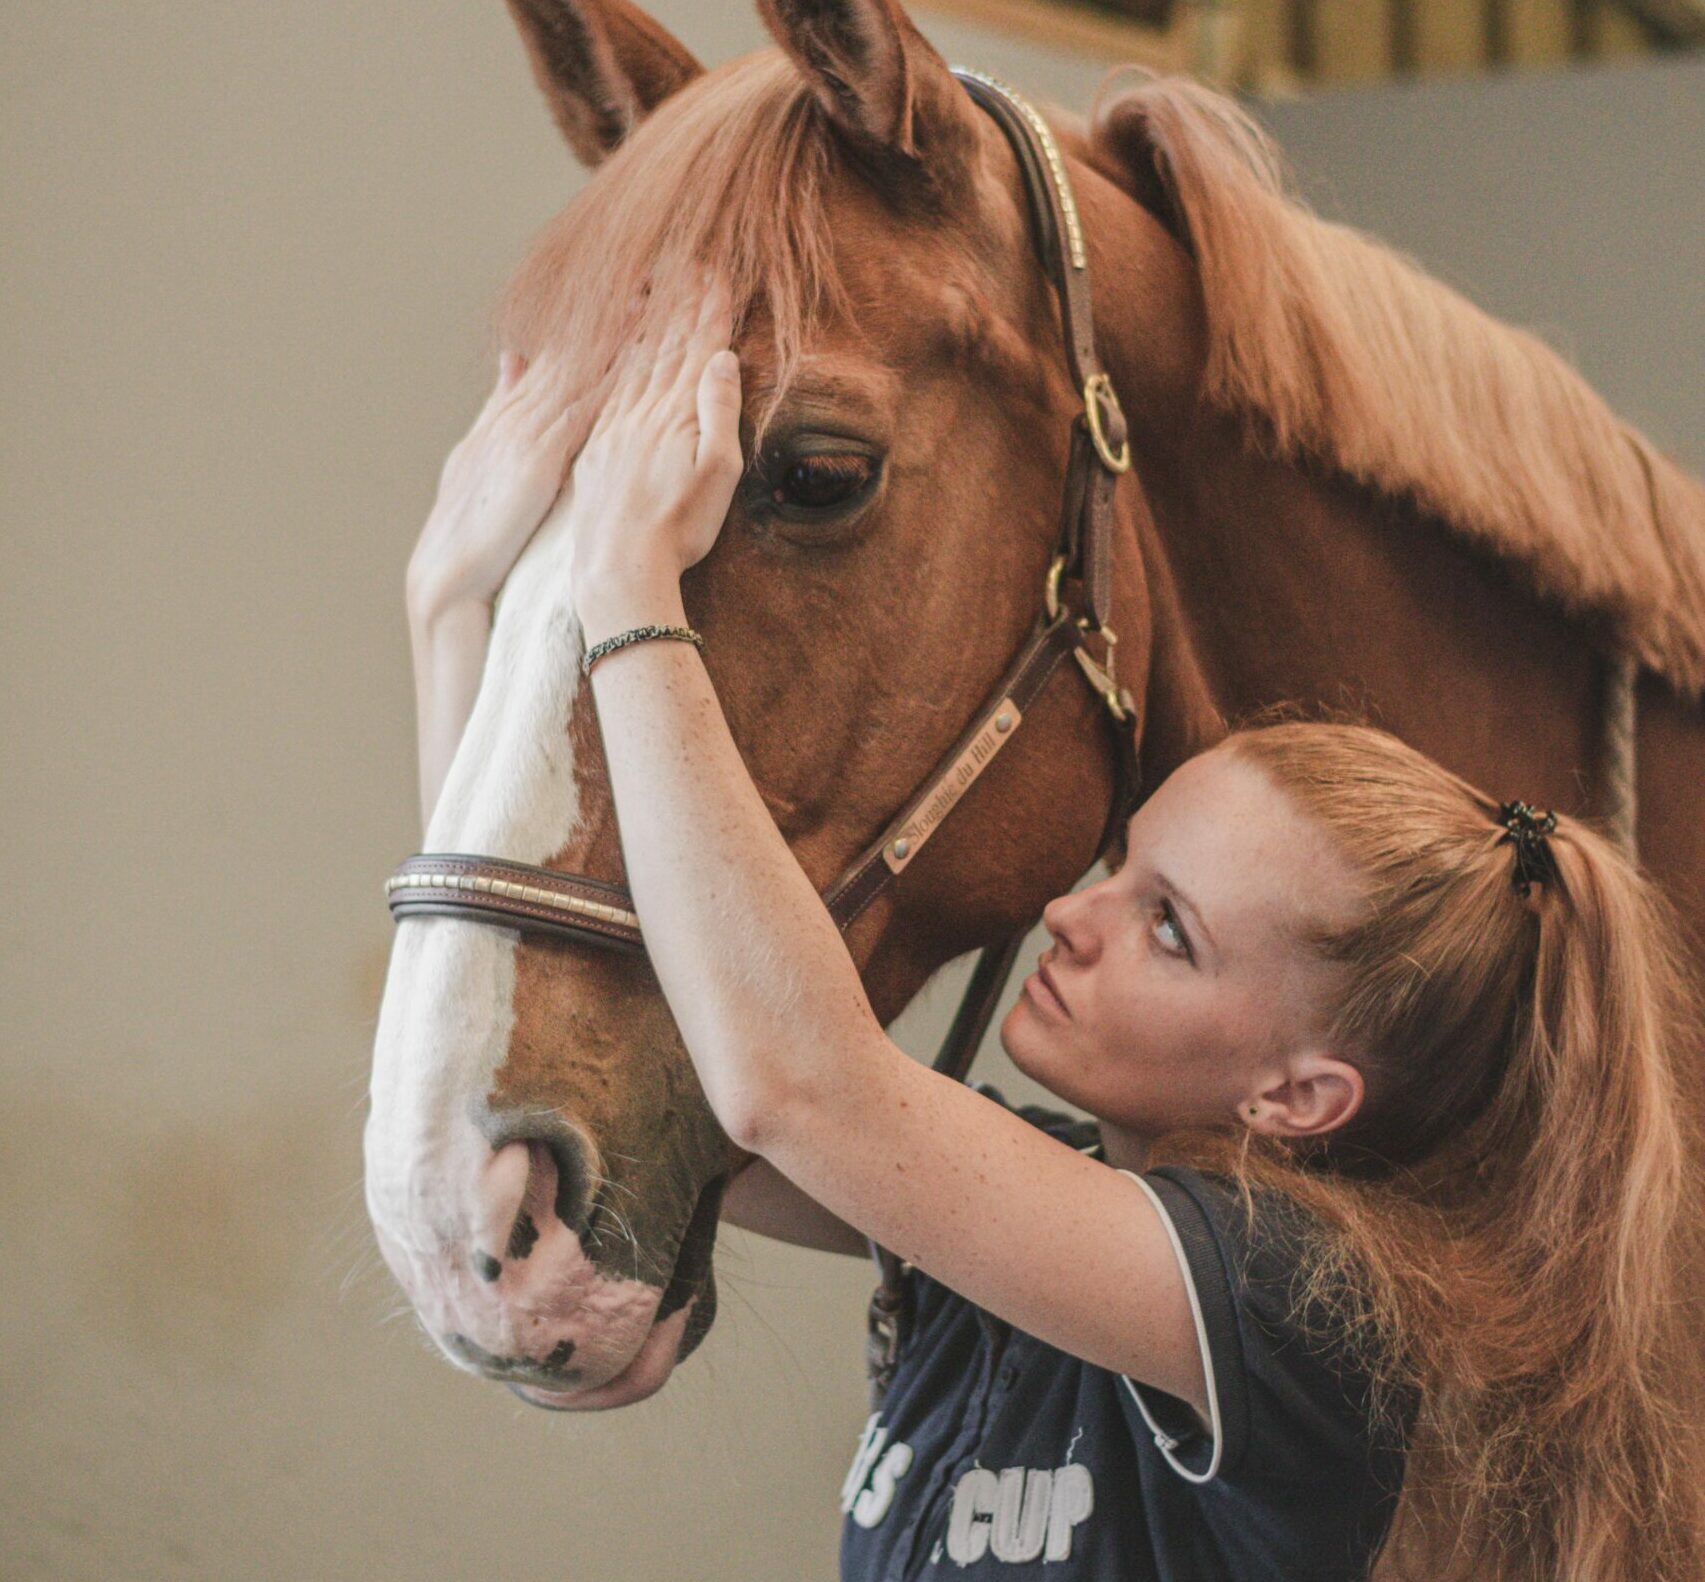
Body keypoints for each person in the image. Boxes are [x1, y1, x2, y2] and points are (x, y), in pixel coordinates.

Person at [405, 265, 1705, 1581]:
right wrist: (454, 613)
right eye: (1122, 867)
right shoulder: (1033, 1201)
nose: (1073, 918)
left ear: (1298, 1091)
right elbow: (681, 1090)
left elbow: (790, 1086)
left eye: (1168, 929)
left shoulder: (1293, 1301)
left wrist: (634, 596)